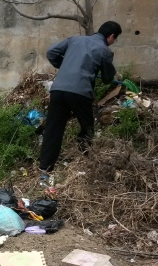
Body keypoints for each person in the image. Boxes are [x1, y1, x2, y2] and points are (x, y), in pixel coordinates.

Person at [39, 21, 122, 181]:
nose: (112, 42)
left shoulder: (75, 40)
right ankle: (87, 160)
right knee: (87, 127)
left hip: (58, 90)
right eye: (114, 39)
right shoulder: (104, 50)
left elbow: (51, 52)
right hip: (80, 93)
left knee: (53, 130)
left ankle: (45, 171)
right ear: (111, 37)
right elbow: (106, 79)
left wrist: (66, 65)